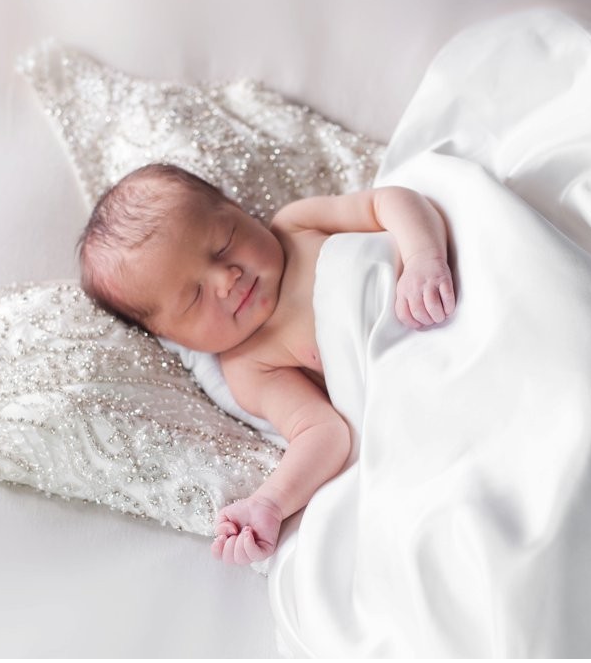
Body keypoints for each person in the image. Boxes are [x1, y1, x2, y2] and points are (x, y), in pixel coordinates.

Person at [78, 163, 456, 564]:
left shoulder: (296, 226)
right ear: (172, 337)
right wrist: (270, 503)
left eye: (224, 243)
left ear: (238, 209)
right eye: (194, 297)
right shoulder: (249, 366)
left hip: (452, 284)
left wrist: (422, 258)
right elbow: (323, 433)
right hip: (435, 380)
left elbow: (390, 202)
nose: (227, 278)